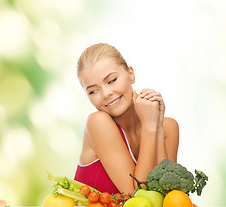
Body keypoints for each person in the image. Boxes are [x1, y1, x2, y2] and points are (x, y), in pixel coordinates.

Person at [74, 43, 179, 195]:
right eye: (93, 91)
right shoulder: (98, 122)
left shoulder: (168, 127)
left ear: (131, 74)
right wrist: (150, 126)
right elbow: (136, 196)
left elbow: (169, 197)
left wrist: (158, 128)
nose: (106, 93)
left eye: (111, 81)